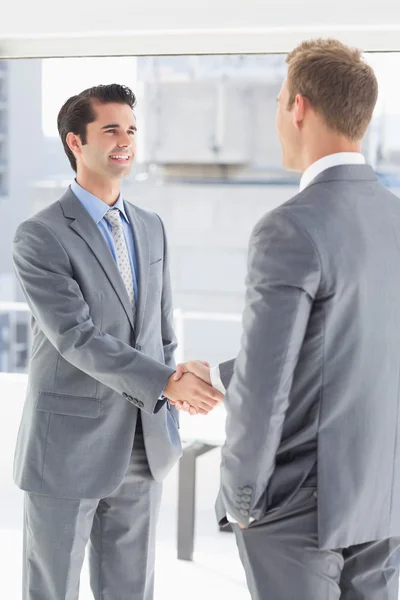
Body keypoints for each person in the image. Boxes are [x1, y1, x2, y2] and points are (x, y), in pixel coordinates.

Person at [173, 39, 400, 599]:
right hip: (384, 497)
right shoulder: (394, 217)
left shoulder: (290, 227)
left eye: (278, 101)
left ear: (298, 107)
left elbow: (269, 386)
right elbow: (355, 341)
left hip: (300, 509)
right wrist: (224, 375)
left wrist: (242, 502)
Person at [12, 83, 222, 600]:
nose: (124, 141)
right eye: (110, 130)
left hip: (143, 441)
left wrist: (171, 388)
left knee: (131, 590)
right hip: (67, 447)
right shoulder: (40, 235)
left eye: (131, 129)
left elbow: (161, 331)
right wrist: (166, 382)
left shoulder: (150, 227)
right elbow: (74, 336)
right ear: (75, 143)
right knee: (51, 588)